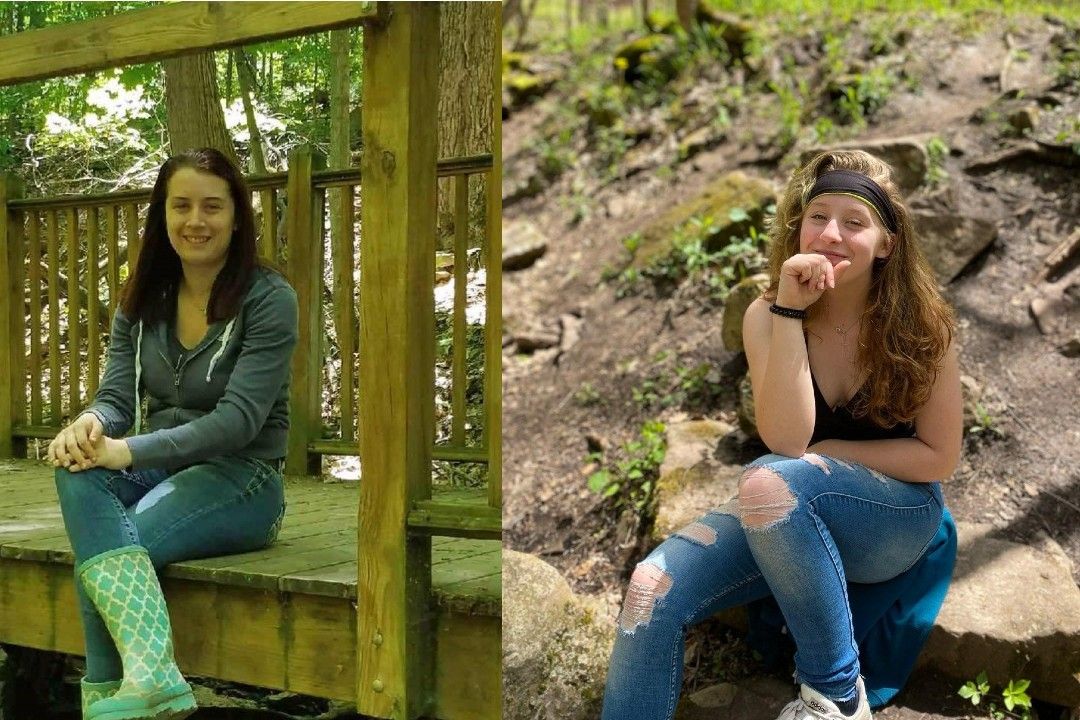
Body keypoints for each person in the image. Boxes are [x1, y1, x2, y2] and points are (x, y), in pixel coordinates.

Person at [601, 149, 962, 720]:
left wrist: (829, 454)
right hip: (787, 512)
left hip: (894, 520)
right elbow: (789, 441)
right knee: (651, 587)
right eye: (818, 216)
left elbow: (938, 457)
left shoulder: (923, 325)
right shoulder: (765, 314)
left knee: (768, 483)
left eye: (855, 221)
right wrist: (792, 310)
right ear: (798, 226)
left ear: (887, 243)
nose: (831, 234)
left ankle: (836, 696)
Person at [47, 147, 299, 720]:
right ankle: (147, 682)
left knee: (110, 547)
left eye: (212, 207)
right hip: (160, 467)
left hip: (243, 478)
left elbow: (238, 423)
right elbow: (115, 399)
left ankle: (108, 694)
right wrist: (90, 426)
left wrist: (127, 449)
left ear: (237, 217)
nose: (196, 221)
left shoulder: (269, 299)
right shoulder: (144, 296)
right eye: (181, 205)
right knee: (77, 474)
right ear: (162, 215)